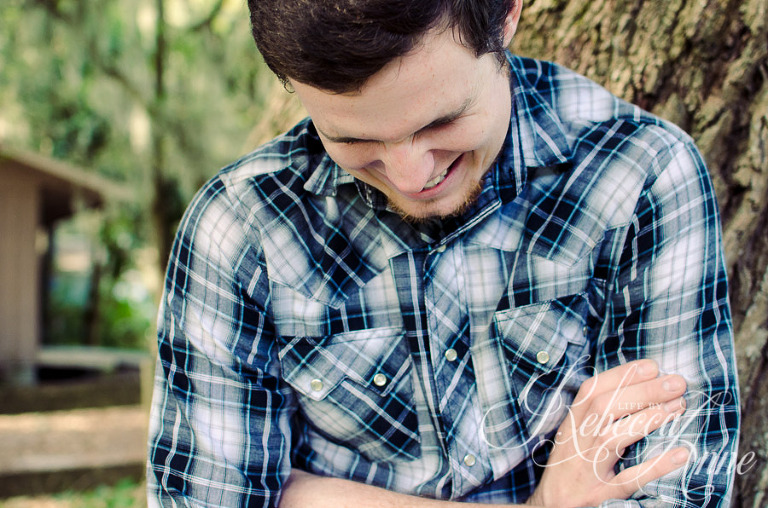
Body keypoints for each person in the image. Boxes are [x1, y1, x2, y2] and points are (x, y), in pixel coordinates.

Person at [146, 0, 740, 506]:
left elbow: (672, 488)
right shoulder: (241, 226)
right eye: (353, 139)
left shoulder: (638, 177)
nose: (411, 176)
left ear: (506, 13)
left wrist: (308, 495)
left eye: (442, 122)